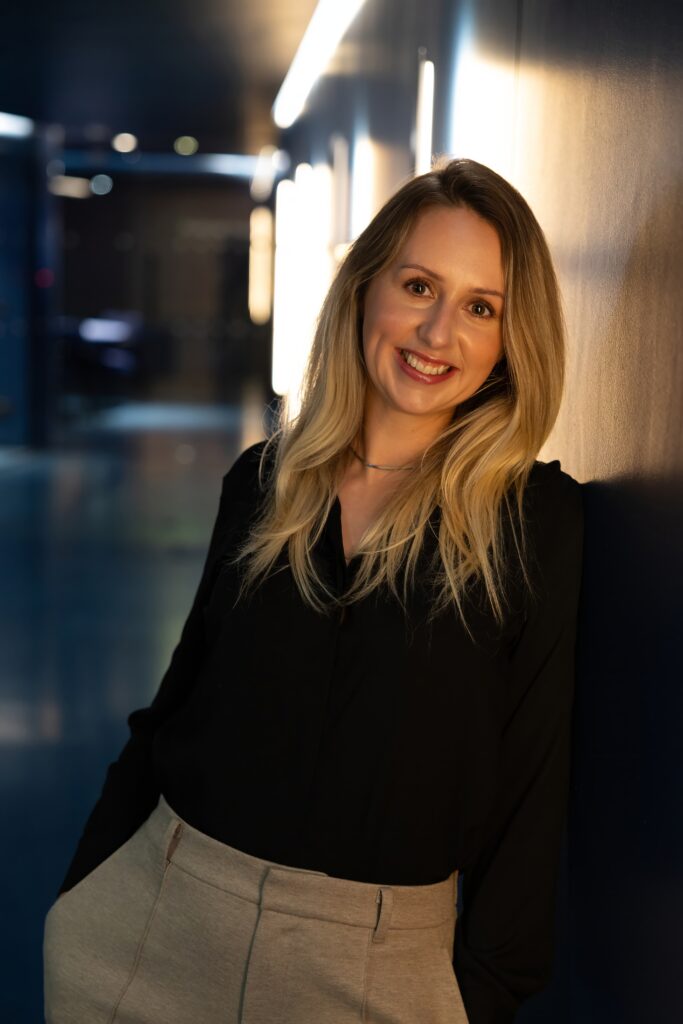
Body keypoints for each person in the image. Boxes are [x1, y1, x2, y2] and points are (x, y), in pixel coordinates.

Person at [43, 157, 584, 1024]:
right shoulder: (263, 482)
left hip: (376, 970)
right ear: (364, 288)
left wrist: (482, 996)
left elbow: (533, 781)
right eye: (418, 286)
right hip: (158, 926)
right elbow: (175, 707)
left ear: (509, 341)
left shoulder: (533, 523)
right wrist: (83, 892)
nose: (437, 332)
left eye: (480, 307)